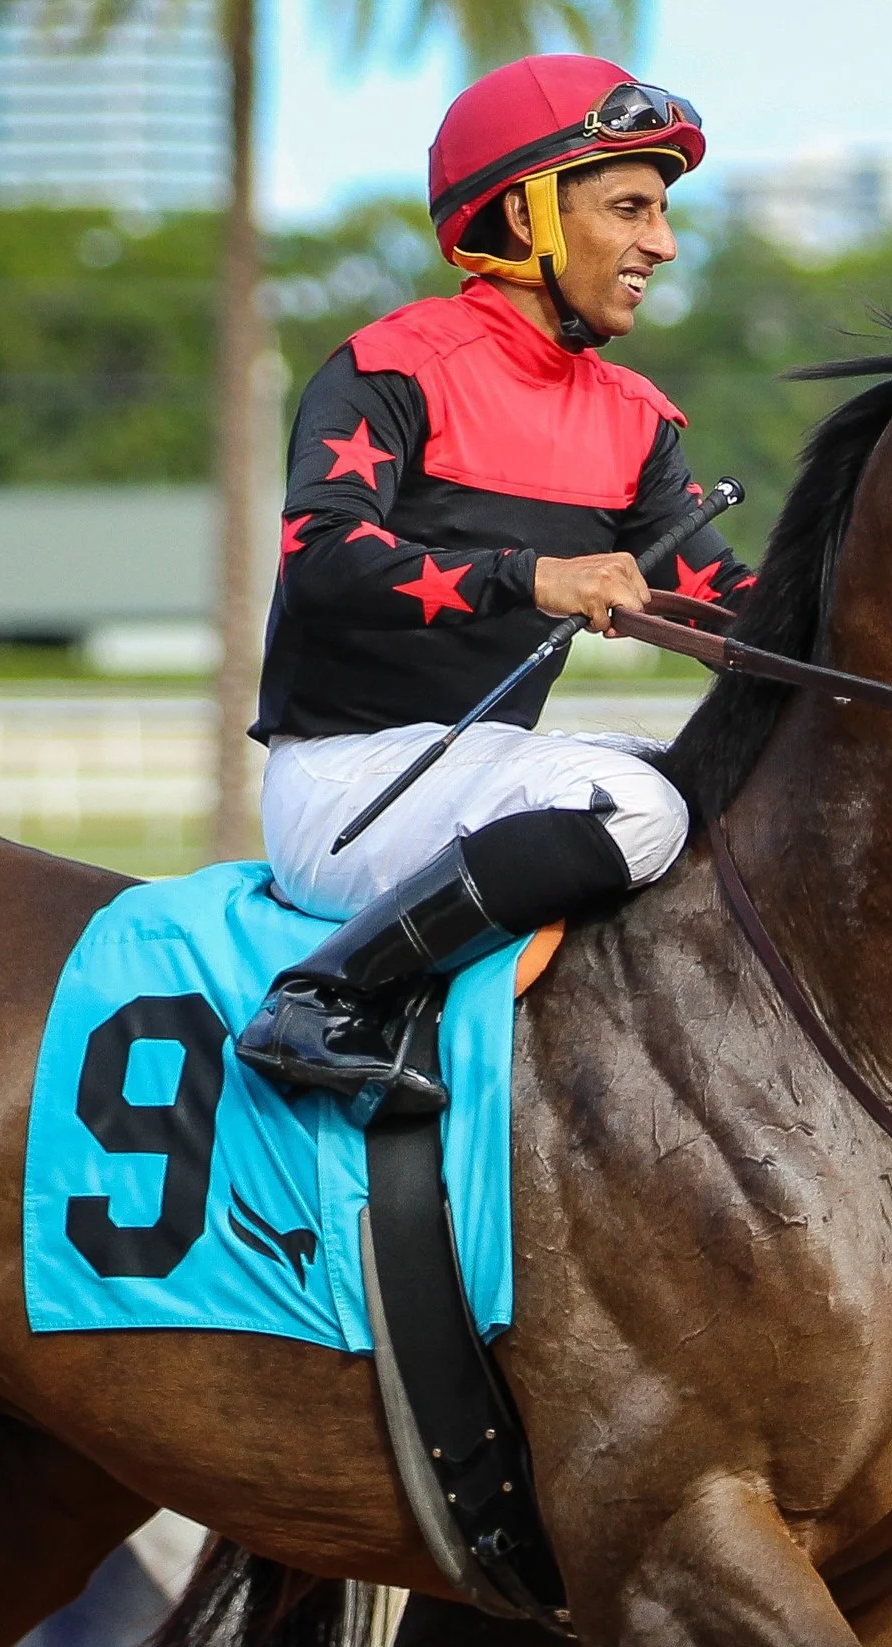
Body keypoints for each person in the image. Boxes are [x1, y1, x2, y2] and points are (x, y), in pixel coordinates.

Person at [235, 55, 755, 1119]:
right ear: (525, 217)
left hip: (485, 771)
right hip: (347, 786)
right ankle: (325, 997)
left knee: (714, 785)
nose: (660, 242)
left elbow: (721, 601)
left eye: (662, 213)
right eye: (629, 209)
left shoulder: (632, 413)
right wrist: (537, 578)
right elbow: (323, 560)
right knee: (640, 810)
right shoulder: (389, 367)